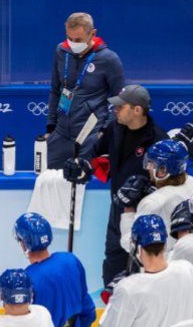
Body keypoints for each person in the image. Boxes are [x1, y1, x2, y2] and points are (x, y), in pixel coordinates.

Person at [63, 84, 167, 286]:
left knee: (144, 268)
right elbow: (94, 153)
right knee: (113, 263)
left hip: (146, 215)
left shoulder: (158, 139)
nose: (115, 110)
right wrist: (82, 166)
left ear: (137, 110)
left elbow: (167, 182)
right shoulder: (115, 128)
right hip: (118, 211)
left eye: (121, 106)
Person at [46, 12, 125, 169]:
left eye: (78, 40)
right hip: (61, 133)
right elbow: (55, 90)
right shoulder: (61, 51)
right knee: (51, 181)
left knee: (84, 185)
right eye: (70, 38)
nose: (73, 44)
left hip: (91, 134)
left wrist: (103, 132)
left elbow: (119, 100)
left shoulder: (109, 59)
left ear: (92, 34)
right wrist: (50, 127)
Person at [115, 139, 193, 253]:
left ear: (163, 170)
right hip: (190, 255)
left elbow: (129, 244)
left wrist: (128, 208)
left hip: (163, 261)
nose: (148, 167)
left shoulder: (152, 202)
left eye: (152, 163)